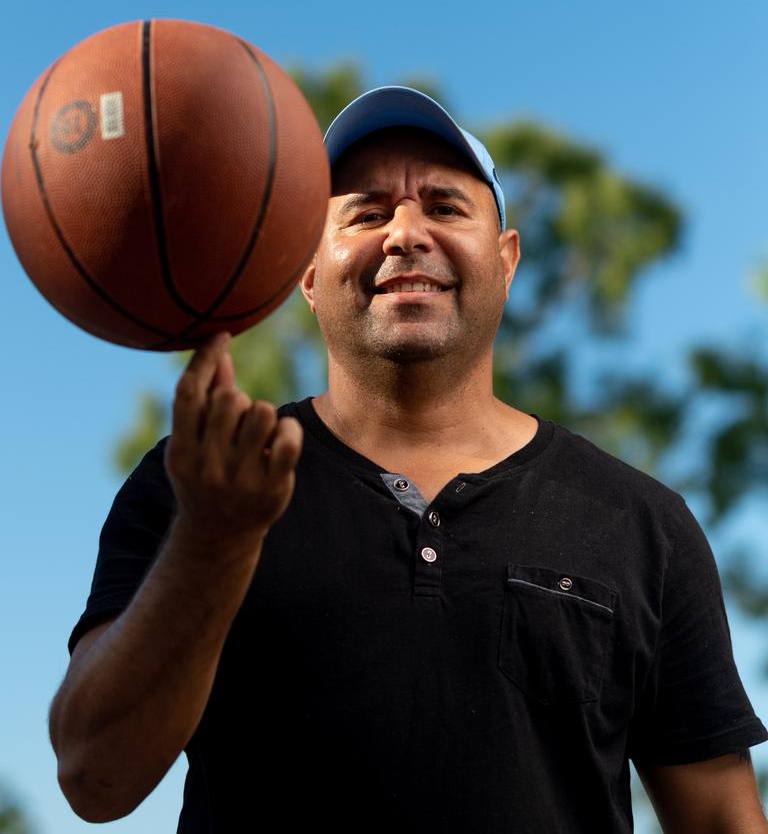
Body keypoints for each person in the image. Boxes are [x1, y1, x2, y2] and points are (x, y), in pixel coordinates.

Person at [50, 87, 767, 833]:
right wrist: (211, 540)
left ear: (507, 258)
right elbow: (95, 780)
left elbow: (722, 820)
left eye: (445, 206)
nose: (405, 233)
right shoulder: (198, 484)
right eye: (365, 212)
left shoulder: (642, 523)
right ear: (305, 273)